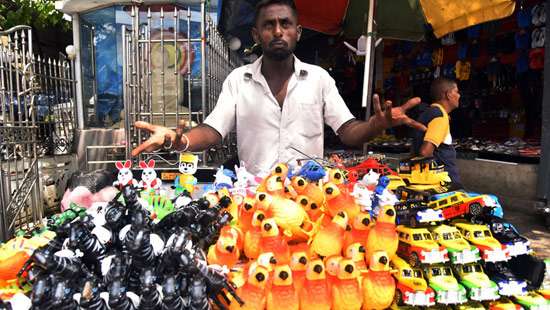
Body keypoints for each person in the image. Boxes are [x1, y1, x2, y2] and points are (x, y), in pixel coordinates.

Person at [132, 0, 426, 176]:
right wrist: (175, 140)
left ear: (297, 32)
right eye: (269, 24)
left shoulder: (319, 78)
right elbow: (212, 131)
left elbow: (348, 131)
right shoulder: (238, 80)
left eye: (285, 24)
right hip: (254, 200)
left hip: (309, 197)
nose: (277, 31)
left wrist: (376, 125)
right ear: (255, 34)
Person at [412, 77, 461, 186]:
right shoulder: (440, 116)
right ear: (448, 94)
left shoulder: (428, 113)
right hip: (444, 184)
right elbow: (425, 152)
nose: (459, 95)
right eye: (456, 92)